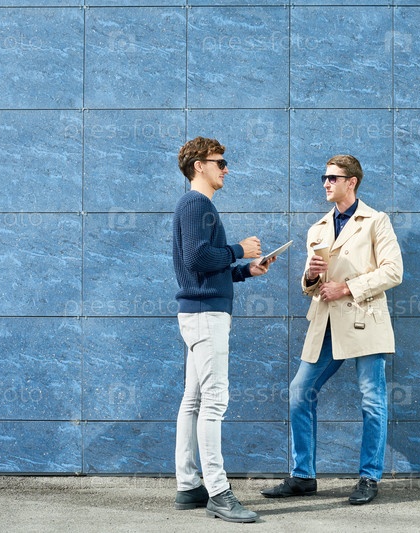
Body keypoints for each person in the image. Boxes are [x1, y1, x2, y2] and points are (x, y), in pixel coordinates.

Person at [261, 154, 403, 505]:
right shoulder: (318, 228)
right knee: (300, 391)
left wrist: (347, 287)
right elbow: (310, 286)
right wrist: (311, 276)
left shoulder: (376, 221)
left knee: (371, 398)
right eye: (324, 177)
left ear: (351, 182)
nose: (326, 183)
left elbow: (393, 271)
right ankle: (303, 476)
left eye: (333, 178)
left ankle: (369, 477)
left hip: (364, 319)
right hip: (325, 321)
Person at [172, 136, 272, 523]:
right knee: (214, 402)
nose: (226, 169)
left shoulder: (195, 205)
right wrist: (239, 250)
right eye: (220, 162)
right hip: (206, 316)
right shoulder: (197, 204)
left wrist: (245, 271)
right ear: (199, 165)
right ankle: (218, 492)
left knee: (194, 400)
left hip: (199, 311)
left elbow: (203, 268)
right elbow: (197, 257)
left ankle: (188, 485)